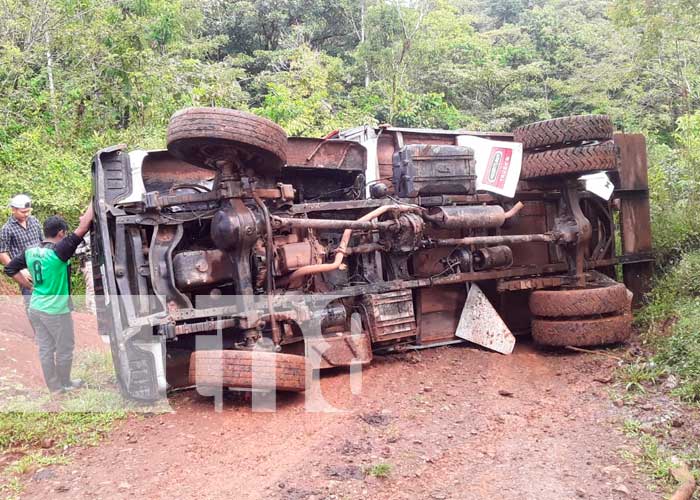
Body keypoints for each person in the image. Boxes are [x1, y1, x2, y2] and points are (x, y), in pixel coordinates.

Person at [5, 204, 94, 393]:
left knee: (45, 347)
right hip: (55, 311)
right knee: (64, 347)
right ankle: (66, 383)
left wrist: (28, 285)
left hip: (36, 307)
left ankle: (54, 388)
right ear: (61, 233)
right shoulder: (59, 252)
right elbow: (84, 226)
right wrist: (96, 199)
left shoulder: (31, 252)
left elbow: (9, 268)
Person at [0, 194, 43, 307]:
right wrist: (18, 270)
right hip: (25, 272)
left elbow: (43, 242)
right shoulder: (7, 229)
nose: (26, 214)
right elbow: (2, 253)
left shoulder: (34, 221)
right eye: (23, 212)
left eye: (28, 211)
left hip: (41, 266)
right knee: (31, 301)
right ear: (13, 210)